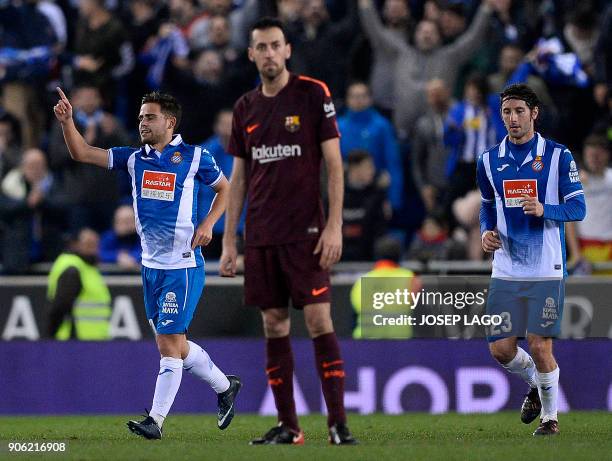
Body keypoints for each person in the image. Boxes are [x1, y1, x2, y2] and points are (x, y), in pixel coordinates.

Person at [53, 88, 241, 440]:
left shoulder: (195, 156)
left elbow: (225, 189)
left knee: (169, 344)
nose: (142, 122)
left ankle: (155, 420)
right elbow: (81, 152)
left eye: (149, 117)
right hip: (150, 267)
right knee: (176, 346)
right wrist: (67, 122)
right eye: (140, 117)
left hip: (183, 265)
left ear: (169, 122)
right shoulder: (133, 158)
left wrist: (208, 224)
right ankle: (225, 387)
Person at [220, 17, 356, 445]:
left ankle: (337, 423)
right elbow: (238, 179)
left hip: (307, 233)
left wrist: (334, 225)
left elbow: (334, 164)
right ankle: (289, 427)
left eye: (275, 45)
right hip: (261, 235)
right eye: (261, 47)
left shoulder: (313, 94)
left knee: (318, 320)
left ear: (288, 50)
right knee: (274, 325)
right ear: (251, 54)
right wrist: (229, 239)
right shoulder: (245, 108)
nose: (269, 54)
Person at [477, 84, 586, 436]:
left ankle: (550, 419)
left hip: (546, 268)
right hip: (506, 268)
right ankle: (539, 387)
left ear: (534, 113)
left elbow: (578, 207)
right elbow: (487, 205)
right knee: (500, 349)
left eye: (519, 111)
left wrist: (544, 209)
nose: (512, 118)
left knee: (540, 345)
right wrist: (486, 232)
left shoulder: (557, 157)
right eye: (507, 112)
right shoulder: (489, 161)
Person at [47, 228, 111, 340]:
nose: (94, 249)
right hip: (74, 341)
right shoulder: (72, 268)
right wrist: (50, 337)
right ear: (75, 244)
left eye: (96, 244)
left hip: (94, 341)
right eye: (89, 244)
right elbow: (60, 306)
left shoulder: (88, 267)